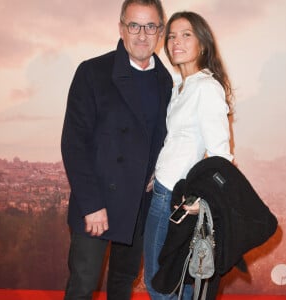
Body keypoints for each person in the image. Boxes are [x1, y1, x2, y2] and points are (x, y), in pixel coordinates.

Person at [61, 0, 173, 299]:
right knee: (83, 285)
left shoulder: (166, 81)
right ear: (121, 28)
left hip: (138, 206)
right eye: (134, 25)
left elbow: (163, 138)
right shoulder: (92, 72)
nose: (142, 35)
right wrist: (92, 204)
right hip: (96, 204)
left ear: (160, 31)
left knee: (123, 283)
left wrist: (156, 171)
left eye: (150, 26)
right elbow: (74, 143)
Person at [143, 11, 234, 300]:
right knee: (174, 282)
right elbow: (180, 140)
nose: (175, 42)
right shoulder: (182, 86)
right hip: (163, 191)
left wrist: (203, 199)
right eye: (171, 36)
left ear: (203, 45)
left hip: (175, 201)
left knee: (160, 285)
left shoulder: (206, 88)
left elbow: (221, 155)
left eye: (186, 35)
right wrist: (159, 171)